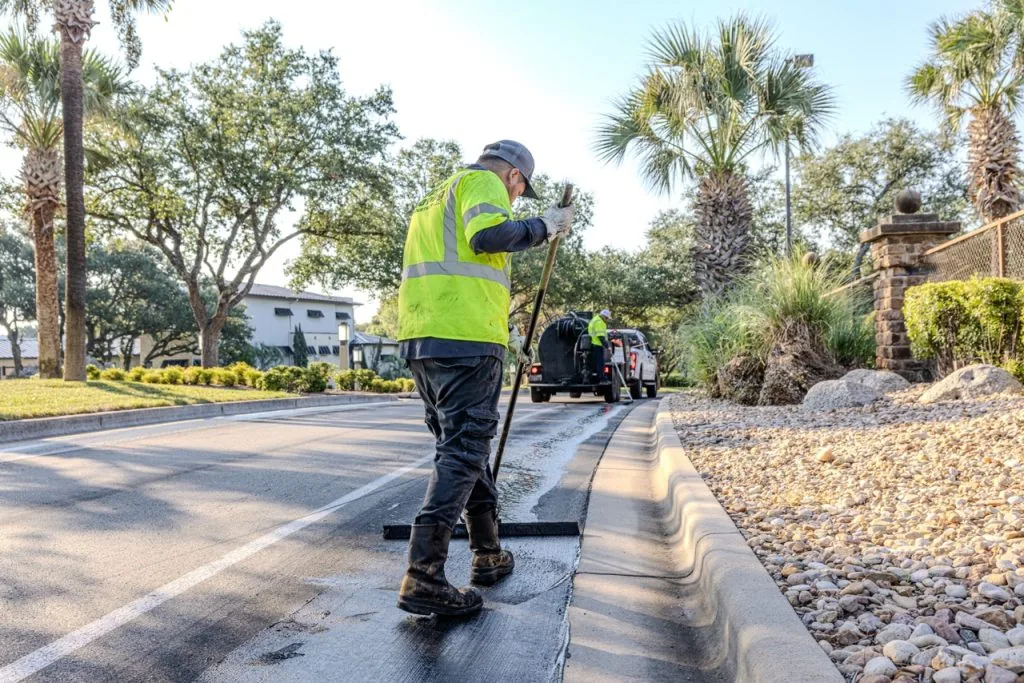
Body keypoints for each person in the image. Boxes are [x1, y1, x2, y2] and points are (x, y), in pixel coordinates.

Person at [395, 140, 574, 617]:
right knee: (464, 451)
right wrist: (543, 227)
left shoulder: (436, 196)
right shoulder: (483, 182)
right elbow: (488, 236)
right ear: (514, 177)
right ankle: (423, 576)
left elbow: (460, 268)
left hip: (425, 339)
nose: (515, 200)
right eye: (520, 193)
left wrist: (505, 329)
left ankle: (488, 553)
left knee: (465, 450)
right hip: (465, 341)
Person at [588, 309, 613, 381]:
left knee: (599, 361)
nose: (607, 320)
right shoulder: (599, 322)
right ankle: (601, 378)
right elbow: (601, 336)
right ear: (604, 317)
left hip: (595, 343)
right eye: (607, 318)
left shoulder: (595, 319)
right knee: (600, 362)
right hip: (597, 344)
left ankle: (601, 376)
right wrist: (607, 346)